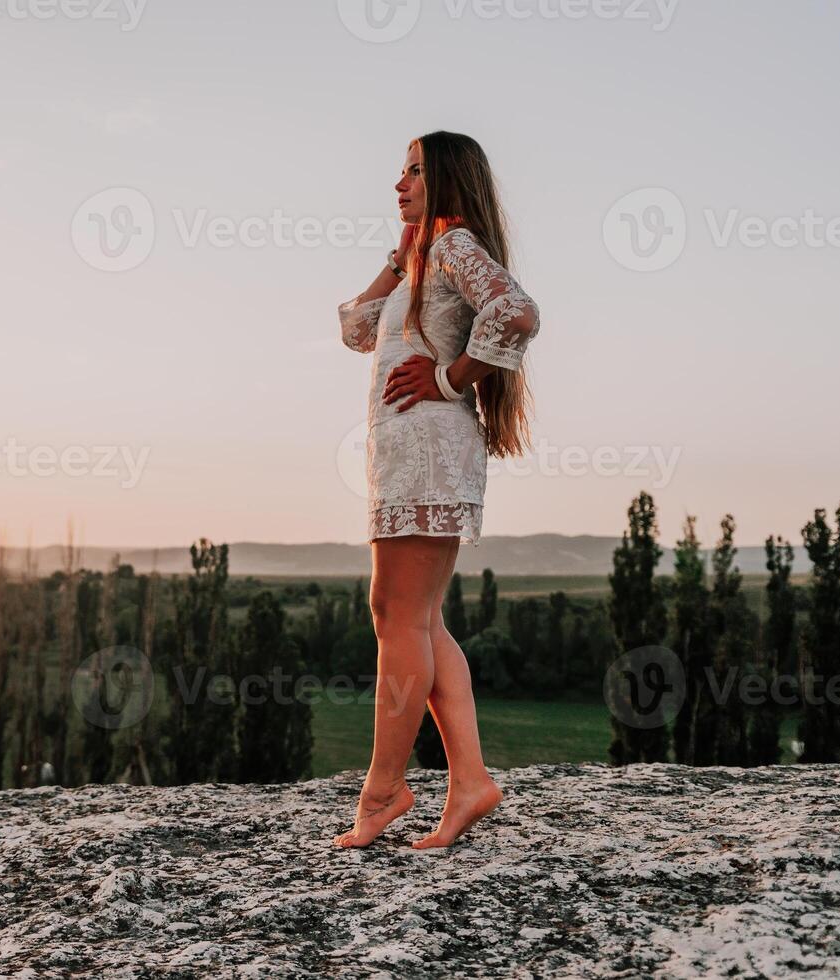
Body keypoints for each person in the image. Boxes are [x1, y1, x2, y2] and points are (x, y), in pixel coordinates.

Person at [332, 131, 542, 849]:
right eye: (400, 170)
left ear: (448, 178)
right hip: (408, 456)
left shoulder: (454, 245)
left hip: (429, 452)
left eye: (416, 171)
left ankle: (384, 791)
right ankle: (472, 780)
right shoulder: (426, 256)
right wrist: (397, 256)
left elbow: (515, 311)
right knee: (417, 618)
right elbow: (359, 329)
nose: (400, 182)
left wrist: (450, 379)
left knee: (395, 614)